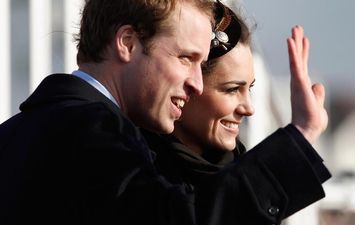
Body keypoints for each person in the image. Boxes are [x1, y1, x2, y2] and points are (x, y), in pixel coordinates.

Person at [0, 0, 215, 224]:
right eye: (186, 58)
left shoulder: (14, 133)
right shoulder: (96, 132)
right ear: (127, 43)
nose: (198, 85)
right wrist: (254, 172)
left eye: (202, 65)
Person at [142, 1, 331, 225]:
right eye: (231, 89)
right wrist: (301, 132)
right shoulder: (138, 172)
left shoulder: (240, 171)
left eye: (249, 88)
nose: (248, 109)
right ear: (190, 85)